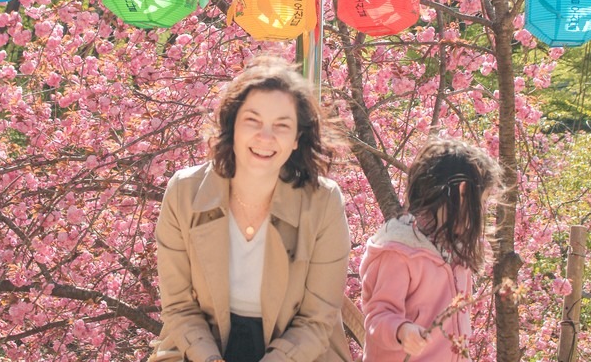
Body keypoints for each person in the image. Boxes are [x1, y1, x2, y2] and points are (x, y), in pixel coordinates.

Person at [149, 55, 352, 362]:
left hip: (297, 352)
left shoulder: (323, 202)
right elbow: (179, 307)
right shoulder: (184, 192)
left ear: (297, 139)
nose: (265, 137)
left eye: (281, 126)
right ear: (232, 125)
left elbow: (315, 320)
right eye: (253, 121)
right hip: (201, 345)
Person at [359, 138, 504, 362]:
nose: (482, 212)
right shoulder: (399, 251)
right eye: (481, 203)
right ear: (462, 192)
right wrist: (402, 330)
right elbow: (377, 316)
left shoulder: (456, 250)